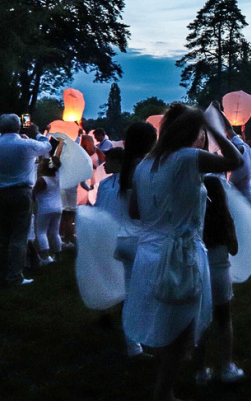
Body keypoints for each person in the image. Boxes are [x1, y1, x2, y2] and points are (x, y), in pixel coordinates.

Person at [123, 104, 242, 401]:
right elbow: (235, 160)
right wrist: (215, 127)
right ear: (194, 131)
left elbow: (135, 211)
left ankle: (166, 390)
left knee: (165, 327)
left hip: (148, 254)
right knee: (182, 334)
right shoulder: (187, 157)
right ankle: (163, 394)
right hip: (180, 257)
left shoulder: (145, 164)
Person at [107, 121, 157, 358]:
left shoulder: (127, 167)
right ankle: (143, 338)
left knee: (132, 293)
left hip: (124, 237)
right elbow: (146, 208)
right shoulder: (145, 168)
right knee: (146, 294)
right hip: (141, 238)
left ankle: (134, 343)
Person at [0, 114, 52, 286]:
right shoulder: (26, 144)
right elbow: (47, 145)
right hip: (21, 193)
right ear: (18, 127)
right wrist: (37, 132)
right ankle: (14, 276)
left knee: (0, 236)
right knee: (19, 235)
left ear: (1, 127)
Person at [193, 175, 243, 385]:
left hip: (200, 273)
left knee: (200, 322)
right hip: (221, 274)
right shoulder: (225, 218)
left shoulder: (195, 217)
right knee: (224, 321)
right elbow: (234, 248)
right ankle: (227, 367)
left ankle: (200, 371)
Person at [32, 138, 65, 264]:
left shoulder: (42, 180)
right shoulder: (57, 177)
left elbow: (34, 193)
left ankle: (45, 257)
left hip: (45, 208)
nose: (38, 166)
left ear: (44, 168)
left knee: (41, 232)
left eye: (40, 165)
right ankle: (58, 255)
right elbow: (56, 158)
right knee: (55, 232)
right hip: (58, 207)